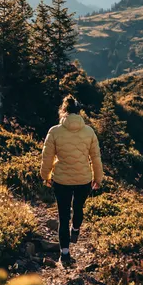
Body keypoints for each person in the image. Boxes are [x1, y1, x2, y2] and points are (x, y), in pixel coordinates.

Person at [40, 95, 103, 266]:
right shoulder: (89, 131)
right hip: (84, 179)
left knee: (63, 215)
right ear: (79, 112)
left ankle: (65, 255)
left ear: (64, 111)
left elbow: (47, 157)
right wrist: (98, 178)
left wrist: (45, 176)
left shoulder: (54, 131)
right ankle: (75, 229)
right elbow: (95, 158)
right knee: (78, 207)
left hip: (61, 180)